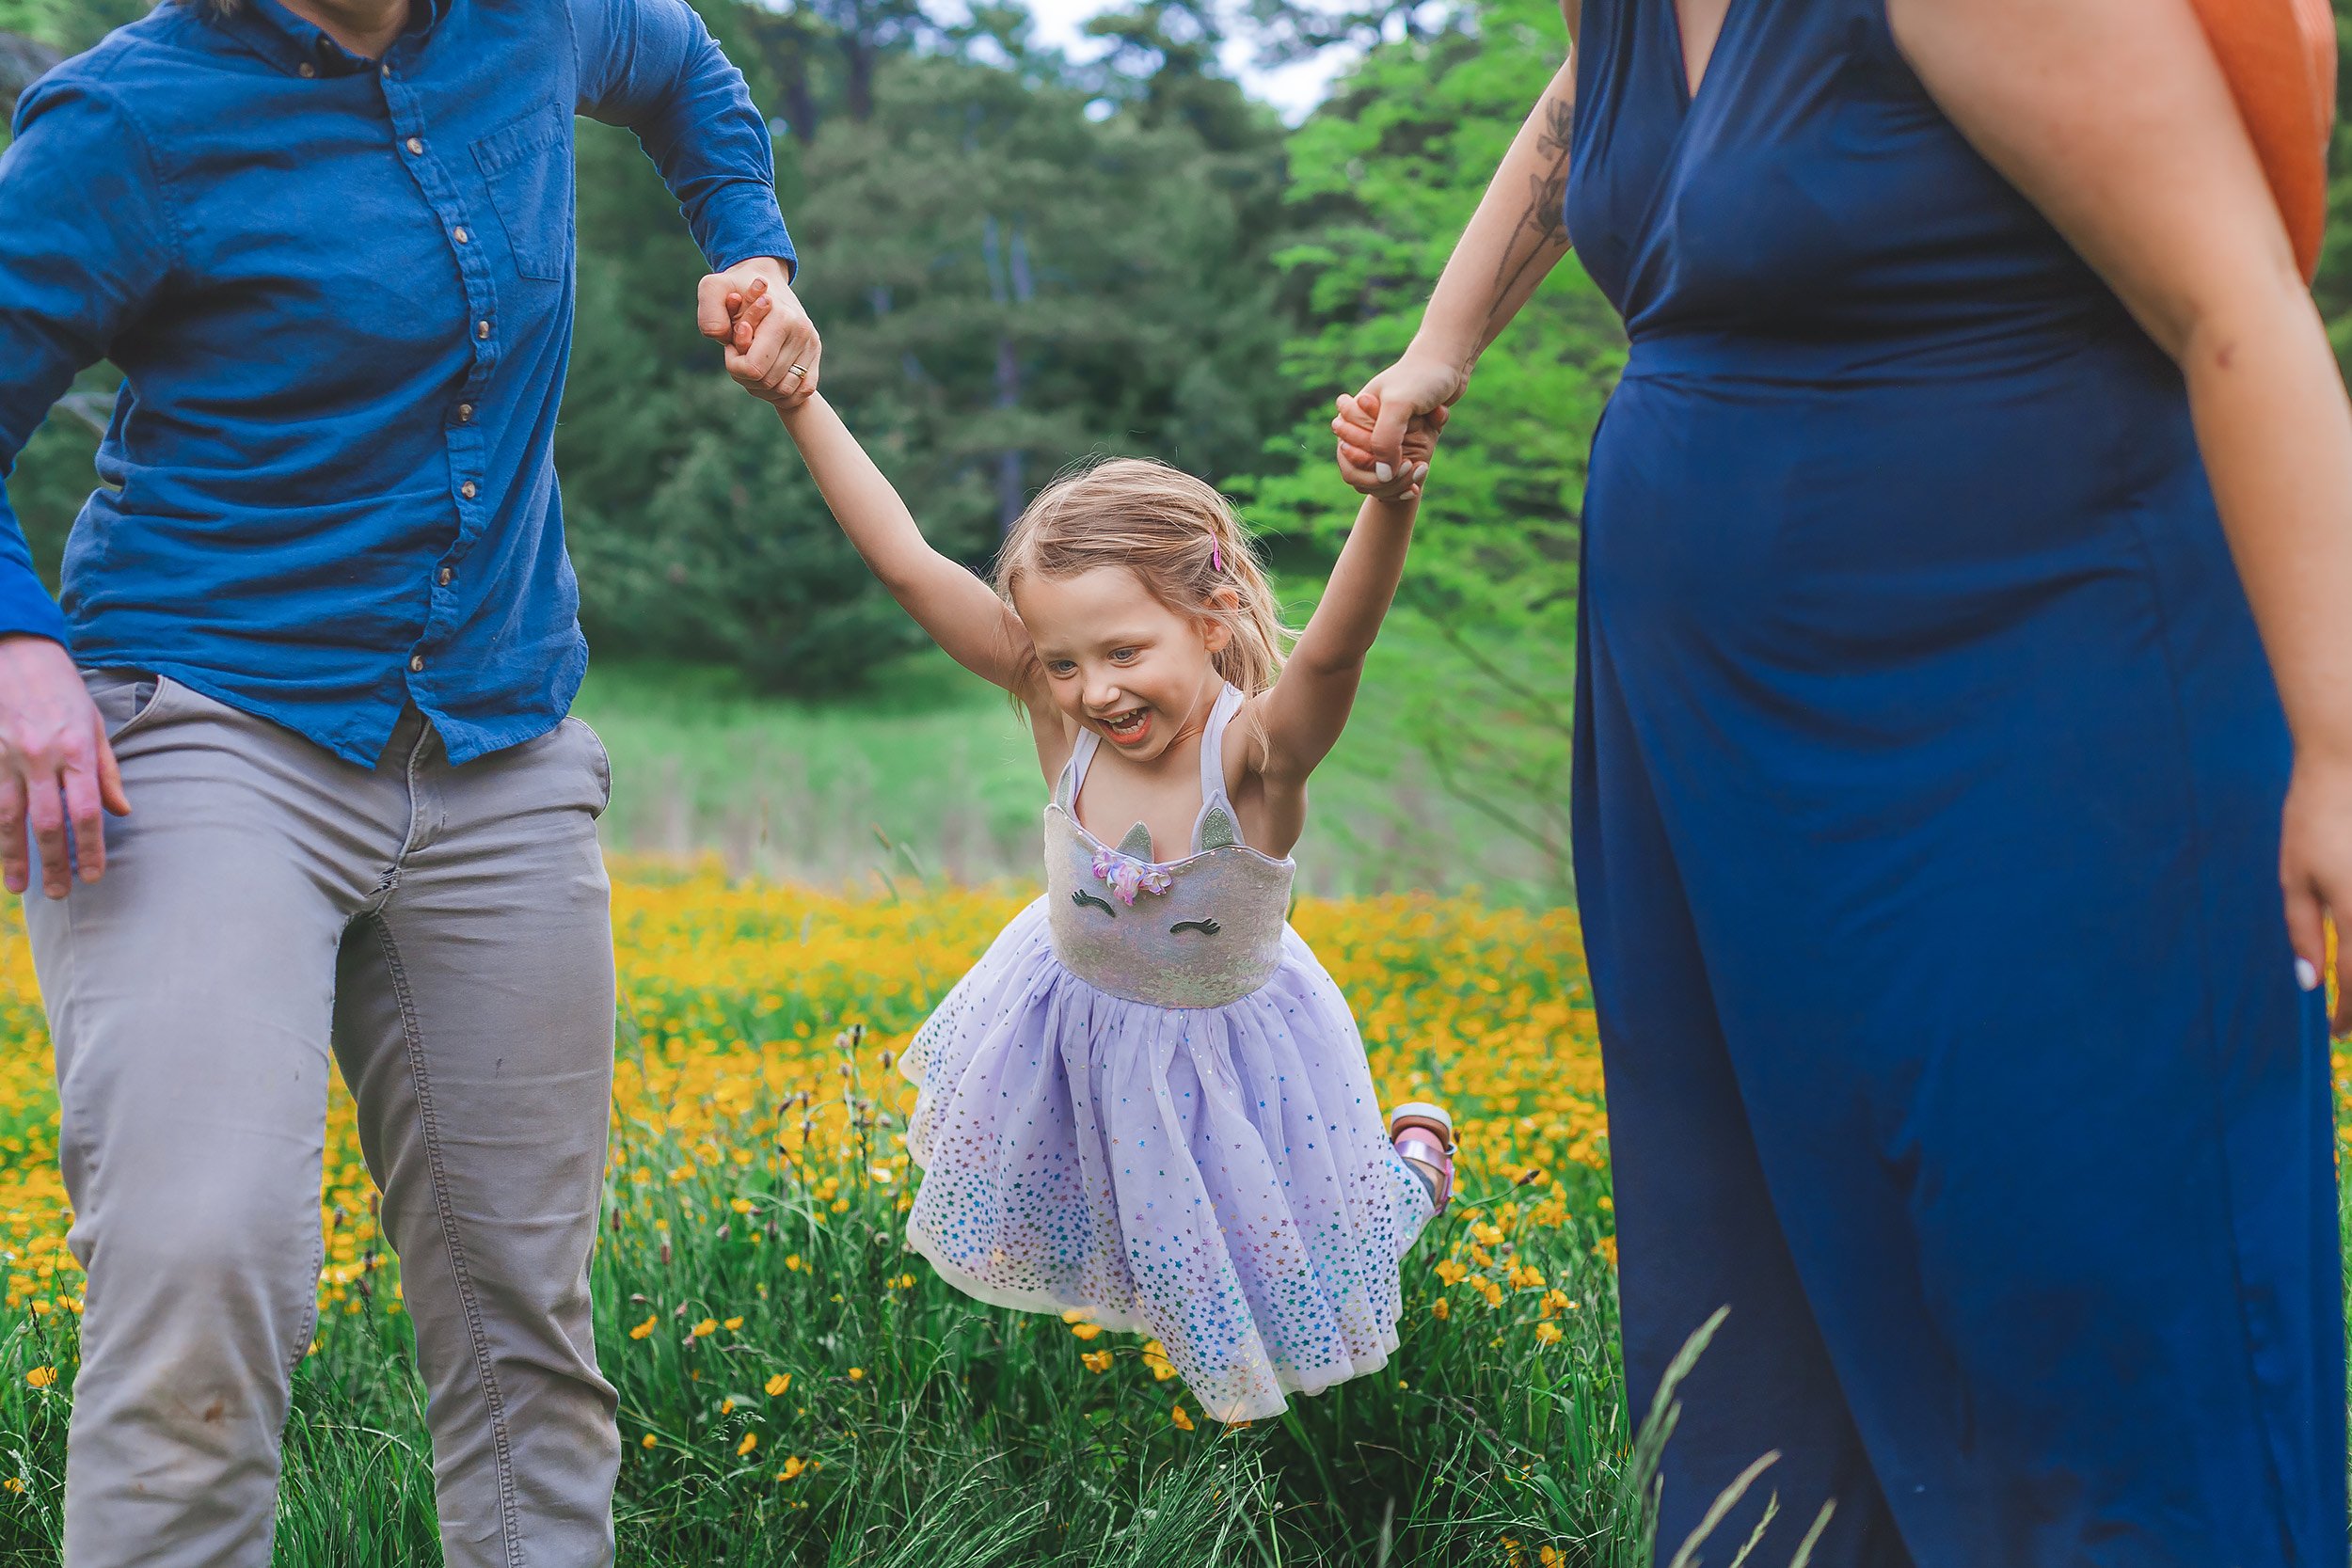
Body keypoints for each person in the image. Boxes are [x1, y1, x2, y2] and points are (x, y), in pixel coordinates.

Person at [1332, 0, 2352, 1562]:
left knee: (2073, 1284)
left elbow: (2242, 312)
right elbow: (1576, 113)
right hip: (1711, 757)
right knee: (1768, 1296)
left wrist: (2340, 745)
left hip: (2034, 707)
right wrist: (1441, 344)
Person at [0, 0, 819, 1561]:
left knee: (526, 1313)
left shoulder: (540, 20)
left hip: (497, 738)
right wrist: (13, 641)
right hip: (207, 728)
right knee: (201, 1268)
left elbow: (686, 75)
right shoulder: (126, 121)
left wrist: (751, 245)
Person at [725, 279, 1454, 1422]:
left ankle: (1410, 1178)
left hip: (1227, 1053)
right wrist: (800, 402)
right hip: (1074, 1017)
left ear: (1209, 618)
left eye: (1121, 650)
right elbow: (911, 562)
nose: (1093, 689)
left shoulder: (1255, 757)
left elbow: (1334, 652)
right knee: (1128, 1235)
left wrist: (1392, 501)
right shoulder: (1056, 710)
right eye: (1062, 660)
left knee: (1285, 1261)